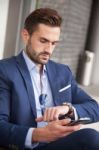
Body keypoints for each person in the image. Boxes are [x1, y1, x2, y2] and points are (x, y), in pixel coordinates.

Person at [0, 8, 99, 150]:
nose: (49, 49)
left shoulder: (62, 72)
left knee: (92, 137)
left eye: (54, 43)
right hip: (26, 146)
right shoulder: (4, 70)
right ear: (26, 35)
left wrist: (68, 109)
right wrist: (38, 134)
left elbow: (95, 108)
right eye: (43, 41)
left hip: (58, 145)